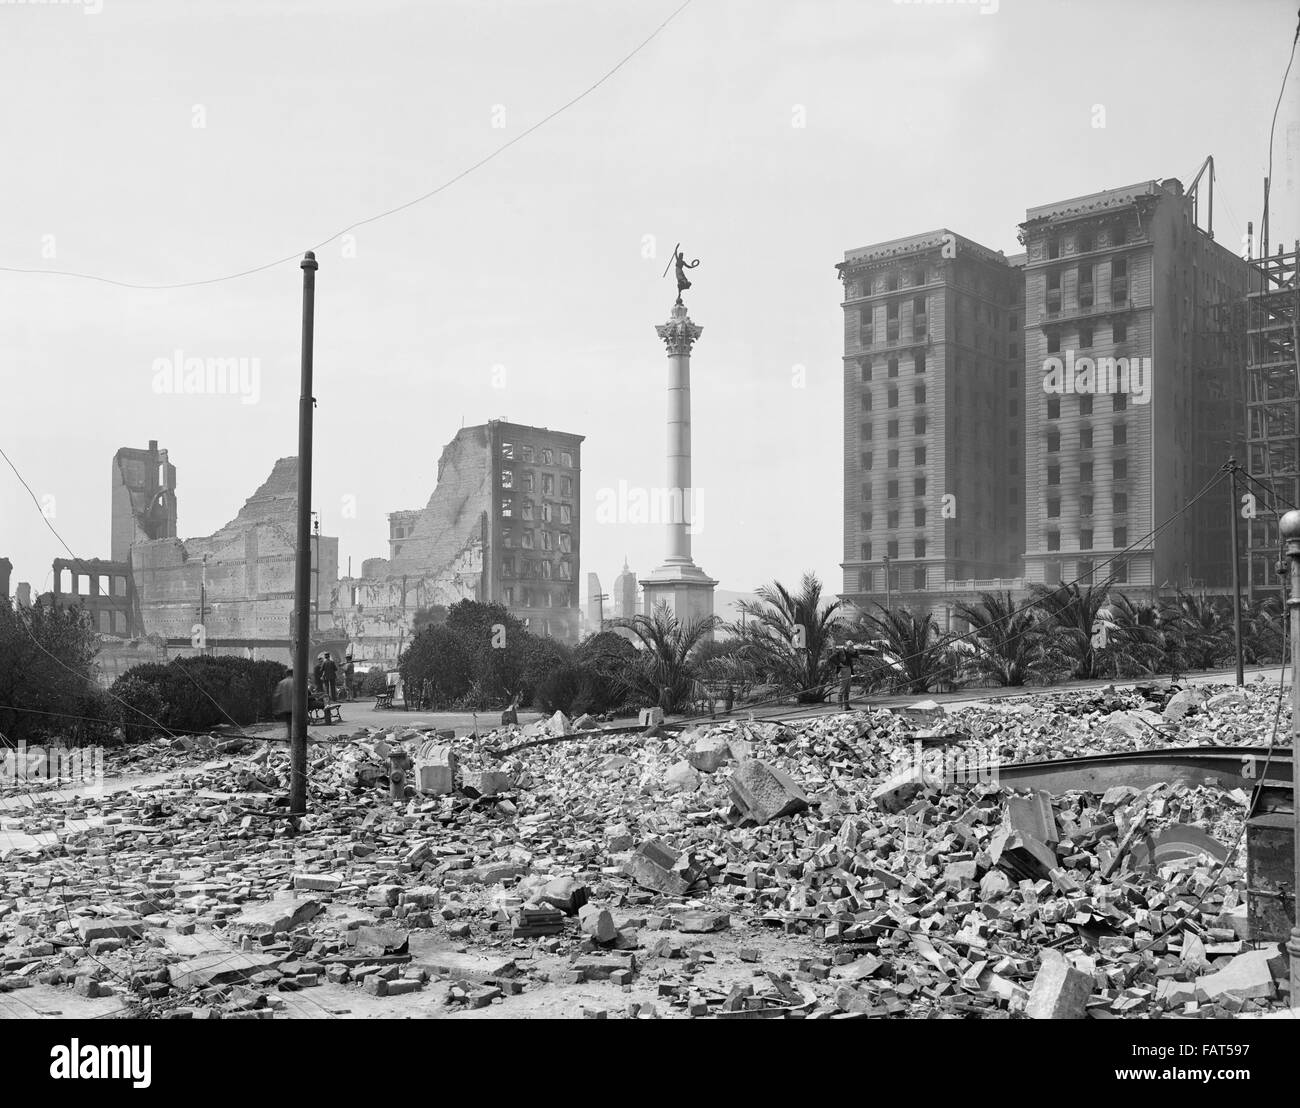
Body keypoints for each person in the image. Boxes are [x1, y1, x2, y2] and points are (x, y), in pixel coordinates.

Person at [273, 668, 295, 741]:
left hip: (286, 706)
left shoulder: (282, 683)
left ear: (286, 674)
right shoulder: (297, 681)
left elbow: (277, 695)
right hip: (296, 706)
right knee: (296, 721)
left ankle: (289, 736)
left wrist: (276, 706)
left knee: (289, 722)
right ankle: (295, 735)